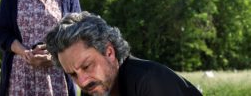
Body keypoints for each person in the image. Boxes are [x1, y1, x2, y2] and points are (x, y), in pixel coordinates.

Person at [45, 12, 203, 96]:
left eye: (87, 66)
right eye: (72, 74)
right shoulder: (93, 90)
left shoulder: (149, 81)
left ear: (109, 52)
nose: (82, 82)